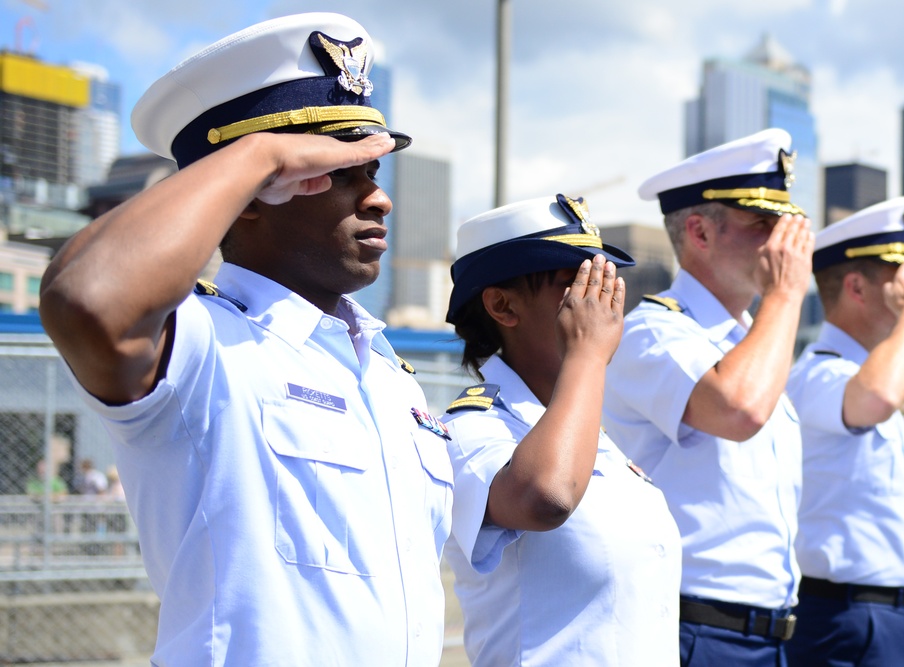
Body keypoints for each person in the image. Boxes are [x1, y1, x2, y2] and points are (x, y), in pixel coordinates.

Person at [39, 13, 453, 666]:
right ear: (256, 195)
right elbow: (85, 298)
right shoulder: (203, 343)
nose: (379, 201)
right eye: (338, 171)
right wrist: (261, 152)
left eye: (372, 173)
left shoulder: (387, 372)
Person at [603, 128, 814, 666]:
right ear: (699, 231)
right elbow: (739, 408)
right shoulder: (655, 329)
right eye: (763, 225)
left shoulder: (751, 340)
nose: (782, 243)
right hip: (697, 629)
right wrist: (787, 295)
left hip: (768, 631)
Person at [442, 194, 682, 666]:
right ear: (502, 305)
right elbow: (545, 496)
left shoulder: (599, 436)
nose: (600, 303)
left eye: (604, 281)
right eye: (576, 285)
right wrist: (588, 355)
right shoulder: (473, 429)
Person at [784, 197, 904, 667]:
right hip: (841, 619)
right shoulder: (817, 374)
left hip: (885, 617)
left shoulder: (862, 373)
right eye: (902, 280)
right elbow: (879, 397)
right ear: (855, 286)